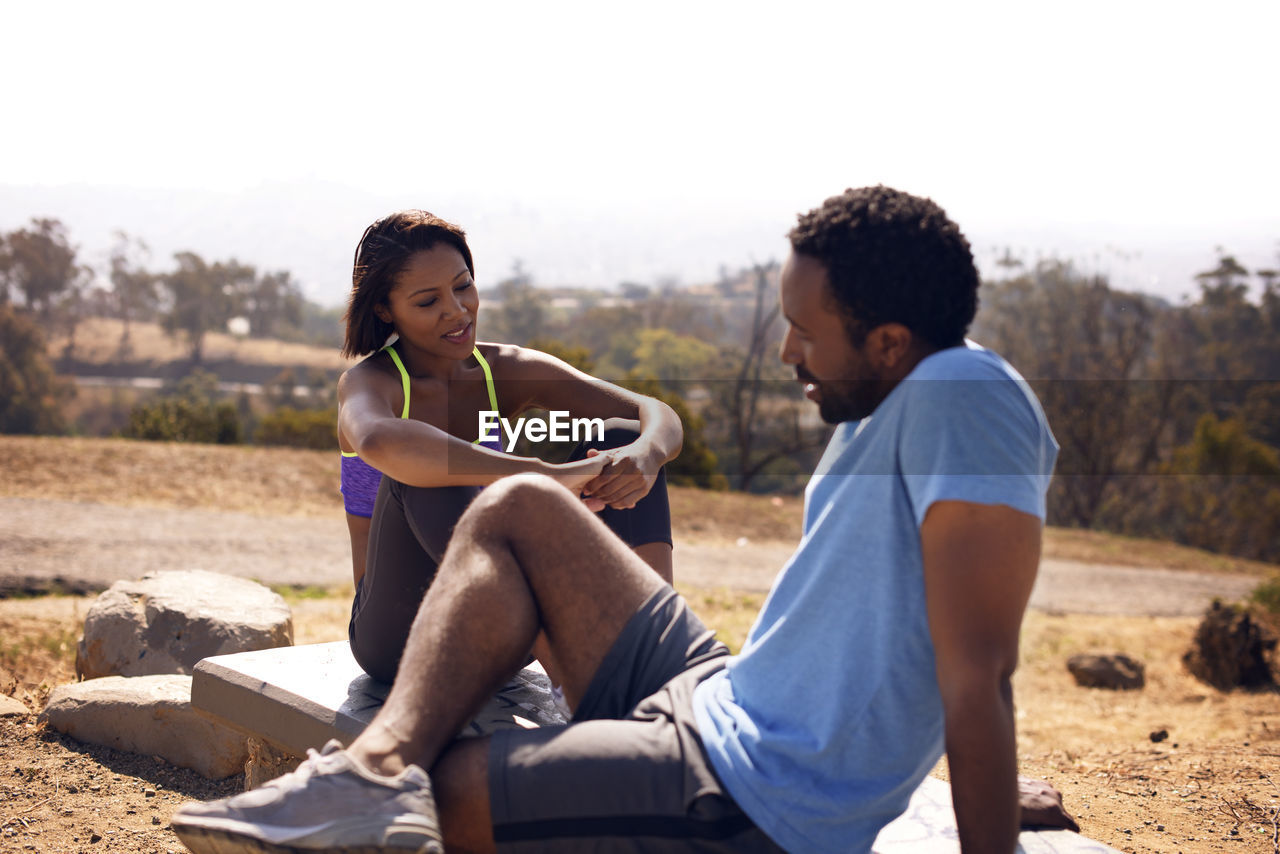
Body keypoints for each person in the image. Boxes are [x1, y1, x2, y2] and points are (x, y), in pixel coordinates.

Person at [174, 187, 1066, 854]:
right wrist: (562, 470)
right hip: (717, 696)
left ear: (888, 341)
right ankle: (371, 774)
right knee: (520, 502)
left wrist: (980, 822)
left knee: (452, 796)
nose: (787, 350)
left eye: (803, 329)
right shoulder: (905, 391)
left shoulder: (965, 401)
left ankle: (385, 780)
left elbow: (977, 672)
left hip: (751, 788)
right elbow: (882, 653)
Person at [335, 210, 683, 682]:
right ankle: (577, 683)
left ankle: (658, 653)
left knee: (623, 439)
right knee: (425, 473)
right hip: (402, 641)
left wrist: (645, 455)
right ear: (384, 310)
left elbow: (654, 413)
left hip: (509, 631)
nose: (457, 311)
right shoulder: (369, 383)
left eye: (462, 286)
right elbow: (378, 438)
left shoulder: (504, 370)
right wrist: (542, 476)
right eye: (426, 301)